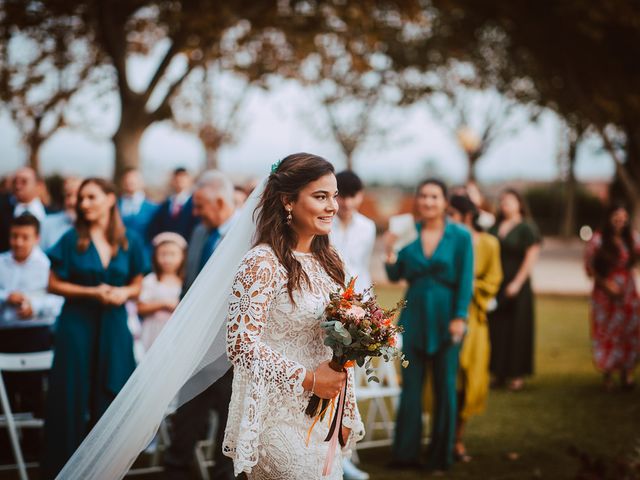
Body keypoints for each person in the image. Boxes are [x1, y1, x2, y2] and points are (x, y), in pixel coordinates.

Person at [222, 153, 364, 479]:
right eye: (320, 196)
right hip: (275, 416)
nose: (333, 206)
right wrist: (311, 380)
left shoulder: (331, 263)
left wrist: (346, 412)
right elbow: (241, 344)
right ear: (288, 200)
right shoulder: (262, 263)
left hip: (324, 416)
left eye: (334, 196)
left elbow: (344, 345)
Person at [40, 178, 146, 479]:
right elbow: (52, 283)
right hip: (77, 324)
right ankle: (64, 470)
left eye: (90, 197)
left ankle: (106, 469)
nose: (82, 203)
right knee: (69, 396)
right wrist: (92, 292)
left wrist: (123, 293)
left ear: (110, 199)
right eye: (81, 198)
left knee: (113, 394)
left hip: (114, 327)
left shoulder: (130, 240)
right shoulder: (71, 239)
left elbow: (137, 282)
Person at [383, 178, 473, 472]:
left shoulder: (460, 236)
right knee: (411, 387)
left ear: (445, 201)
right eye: (423, 196)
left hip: (448, 317)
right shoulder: (409, 232)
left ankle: (439, 456)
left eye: (434, 196)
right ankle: (405, 454)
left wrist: (460, 317)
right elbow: (396, 274)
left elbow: (465, 280)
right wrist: (390, 252)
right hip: (414, 316)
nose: (427, 202)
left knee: (445, 388)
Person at [163, 170, 239, 480]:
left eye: (199, 206)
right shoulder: (197, 234)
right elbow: (188, 288)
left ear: (219, 201)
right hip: (195, 348)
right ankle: (175, 472)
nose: (194, 213)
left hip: (230, 350)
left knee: (227, 423)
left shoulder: (248, 238)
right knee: (186, 418)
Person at [447, 195, 502, 461]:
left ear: (467, 216)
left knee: (469, 379)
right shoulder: (446, 242)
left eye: (452, 214)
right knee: (447, 379)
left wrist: (470, 286)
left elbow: (493, 280)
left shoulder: (489, 243)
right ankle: (443, 436)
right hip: (446, 316)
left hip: (474, 317)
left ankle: (458, 438)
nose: (447, 220)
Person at [329, 170, 374, 480]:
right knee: (331, 376)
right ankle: (332, 454)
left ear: (360, 197)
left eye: (351, 196)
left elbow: (364, 267)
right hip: (328, 302)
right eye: (340, 196)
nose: (346, 202)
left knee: (350, 382)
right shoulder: (325, 222)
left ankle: (346, 453)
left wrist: (369, 310)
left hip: (358, 306)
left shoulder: (368, 227)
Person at [488, 188, 541, 391]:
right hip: (497, 284)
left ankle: (517, 375)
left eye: (509, 201)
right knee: (498, 329)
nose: (505, 205)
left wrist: (517, 283)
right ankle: (498, 373)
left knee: (517, 329)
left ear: (519, 203)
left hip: (517, 285)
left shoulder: (527, 227)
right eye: (502, 201)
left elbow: (531, 256)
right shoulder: (495, 226)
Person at [584, 203, 640, 390]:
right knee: (607, 333)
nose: (620, 220)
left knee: (629, 332)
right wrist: (606, 284)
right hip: (605, 296)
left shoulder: (631, 239)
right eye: (616, 216)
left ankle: (627, 373)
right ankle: (607, 375)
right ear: (608, 218)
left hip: (628, 294)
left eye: (624, 217)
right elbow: (590, 268)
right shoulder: (598, 240)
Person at [138, 232, 186, 351]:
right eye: (163, 254)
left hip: (176, 331)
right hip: (153, 330)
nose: (167, 259)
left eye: (172, 254)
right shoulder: (151, 280)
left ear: (182, 256)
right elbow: (140, 308)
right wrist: (164, 304)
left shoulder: (185, 281)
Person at [0, 167, 48, 252]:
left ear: (38, 185)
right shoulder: (3, 212)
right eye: (15, 182)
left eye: (24, 182)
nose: (18, 186)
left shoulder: (52, 213)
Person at [147, 167, 199, 243]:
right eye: (177, 178)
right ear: (172, 181)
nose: (180, 181)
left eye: (183, 178)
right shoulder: (165, 205)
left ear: (190, 181)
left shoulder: (196, 204)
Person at [118, 167, 158, 257]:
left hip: (144, 255)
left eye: (134, 179)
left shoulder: (154, 208)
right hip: (119, 254)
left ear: (142, 182)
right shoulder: (115, 206)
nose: (130, 182)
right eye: (127, 179)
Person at [40, 177, 82, 252]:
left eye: (78, 196)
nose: (72, 201)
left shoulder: (94, 227)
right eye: (68, 195)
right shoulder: (47, 223)